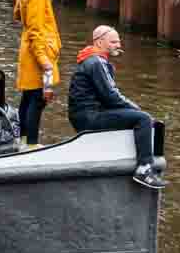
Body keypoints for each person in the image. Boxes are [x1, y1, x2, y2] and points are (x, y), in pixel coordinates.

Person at [68, 26, 166, 189]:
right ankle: (144, 168)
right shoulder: (96, 62)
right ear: (99, 42)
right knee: (143, 119)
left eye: (119, 41)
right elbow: (111, 96)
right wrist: (137, 109)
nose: (118, 45)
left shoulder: (92, 59)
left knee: (134, 115)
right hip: (89, 117)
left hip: (83, 115)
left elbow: (107, 98)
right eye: (113, 41)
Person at [11, 0, 61, 148]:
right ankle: (31, 144)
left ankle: (22, 140)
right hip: (37, 55)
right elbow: (36, 31)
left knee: (29, 97)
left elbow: (21, 18)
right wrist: (45, 62)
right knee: (37, 99)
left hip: (29, 53)